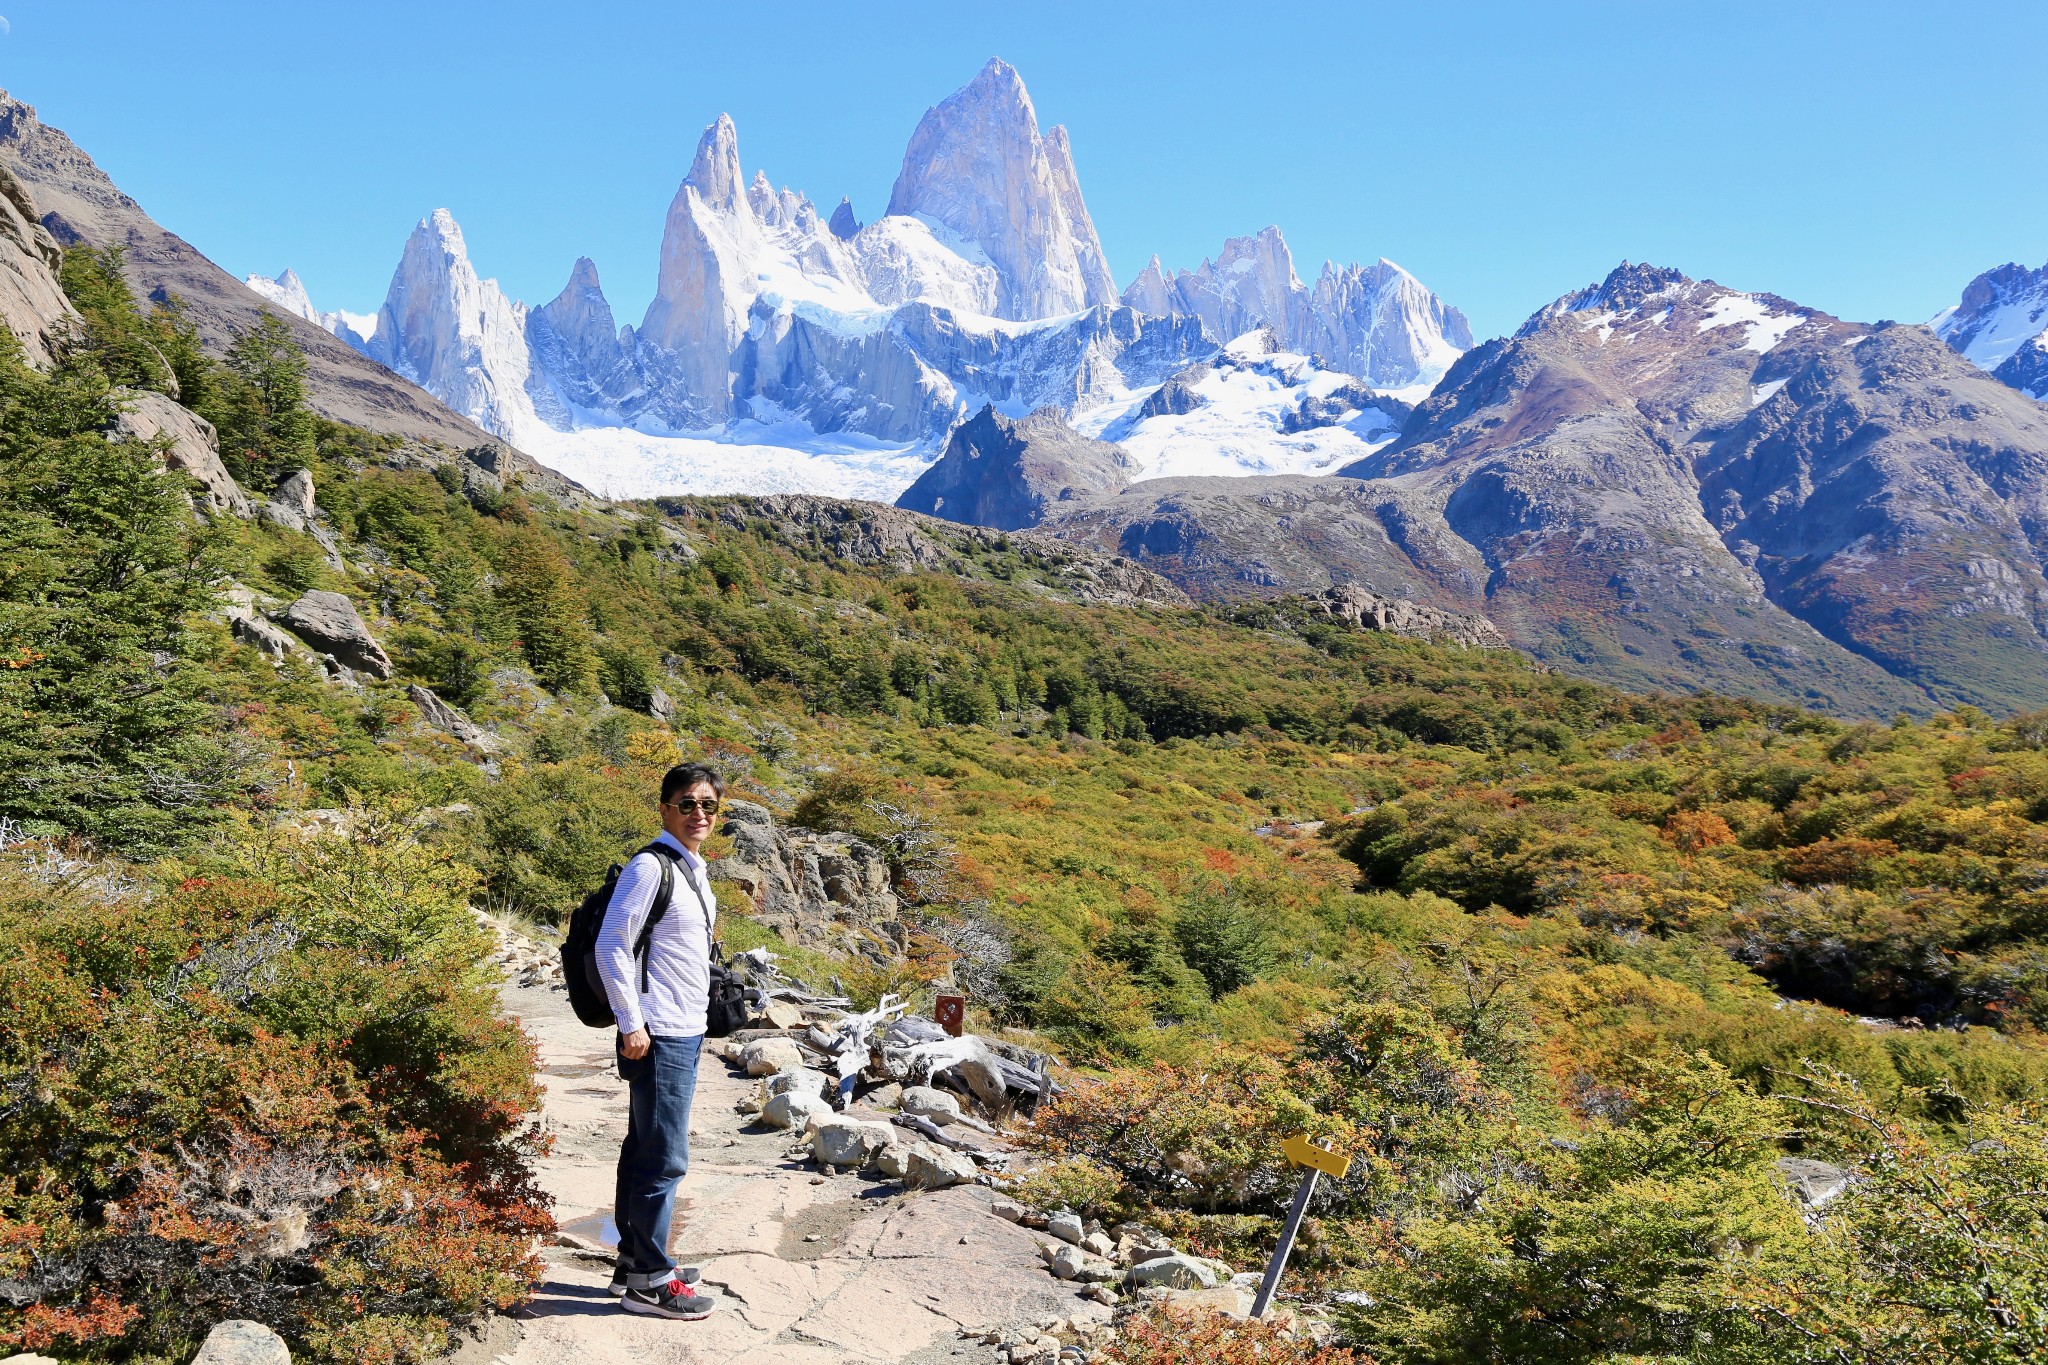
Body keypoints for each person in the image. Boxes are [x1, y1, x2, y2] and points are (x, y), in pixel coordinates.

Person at [594, 761, 725, 1320]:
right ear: (665, 807)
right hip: (660, 1032)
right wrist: (631, 1022)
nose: (699, 814)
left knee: (644, 1146)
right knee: (665, 1155)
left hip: (682, 1027)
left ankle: (635, 1259)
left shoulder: (690, 865)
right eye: (687, 803)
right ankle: (650, 1280)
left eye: (709, 805)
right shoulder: (651, 866)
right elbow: (611, 947)